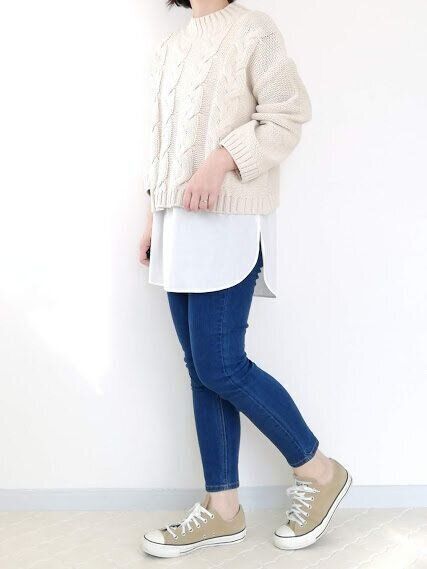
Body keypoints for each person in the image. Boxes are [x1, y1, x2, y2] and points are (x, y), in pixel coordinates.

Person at [139, 0, 351, 558]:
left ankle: (319, 470)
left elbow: (287, 114)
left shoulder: (254, 29)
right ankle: (223, 508)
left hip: (227, 219)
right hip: (176, 225)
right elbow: (163, 145)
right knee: (201, 371)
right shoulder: (171, 47)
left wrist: (220, 161)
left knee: (222, 365)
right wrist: (152, 216)